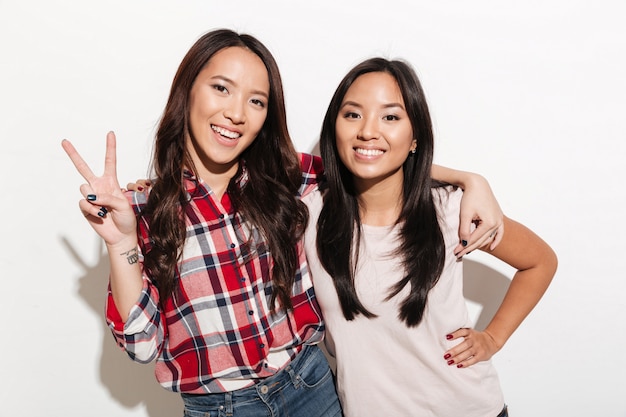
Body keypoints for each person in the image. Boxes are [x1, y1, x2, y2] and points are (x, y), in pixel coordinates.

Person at [61, 29, 504, 416]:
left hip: (313, 388)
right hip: (221, 408)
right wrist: (120, 243)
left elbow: (364, 157)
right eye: (221, 88)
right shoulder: (141, 209)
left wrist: (468, 179)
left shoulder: (287, 179)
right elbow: (140, 346)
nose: (236, 113)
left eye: (256, 101)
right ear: (187, 92)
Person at [302, 57, 558, 417]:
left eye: (390, 117)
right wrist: (470, 176)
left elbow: (540, 261)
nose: (368, 131)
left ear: (414, 137)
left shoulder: (450, 210)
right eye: (353, 114)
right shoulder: (310, 215)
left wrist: (492, 338)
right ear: (334, 128)